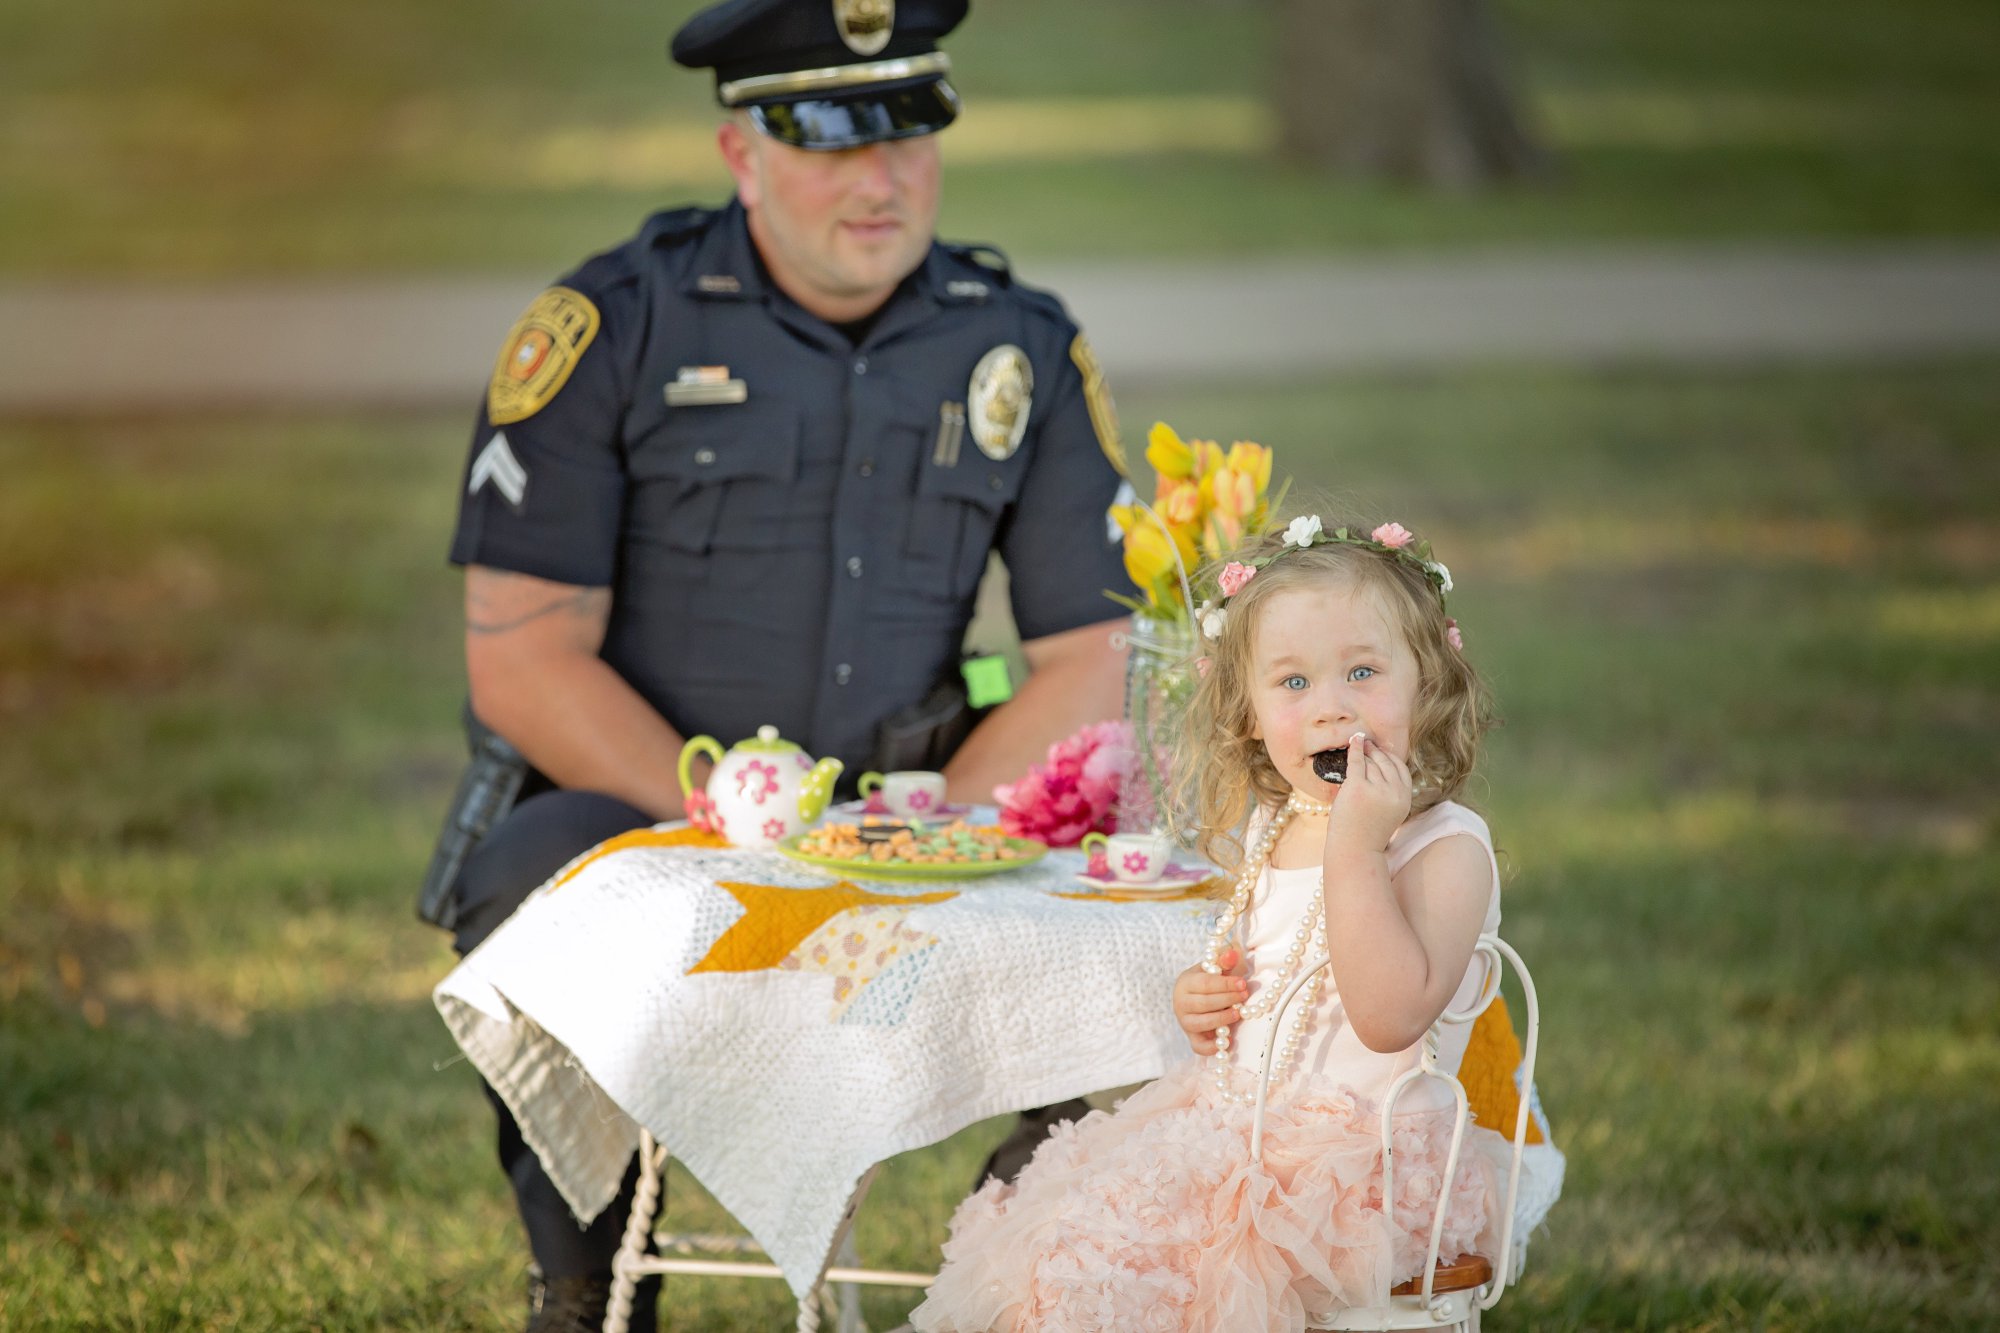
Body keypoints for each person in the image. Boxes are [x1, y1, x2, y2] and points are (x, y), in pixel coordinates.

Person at [430, 0, 1134, 1326]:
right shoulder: (610, 328)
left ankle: (1046, 1272)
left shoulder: (1018, 343)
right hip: (649, 810)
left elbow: (1091, 652)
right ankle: (584, 1285)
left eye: (911, 134)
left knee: (1116, 879)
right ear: (741, 151)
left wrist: (935, 833)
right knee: (523, 874)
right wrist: (735, 829)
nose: (882, 179)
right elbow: (523, 663)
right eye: (832, 139)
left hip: (916, 814)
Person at [911, 517, 1514, 1333]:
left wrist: (1358, 842)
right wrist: (1207, 1001)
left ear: (1428, 682)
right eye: (1293, 684)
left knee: (1144, 1269)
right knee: (1064, 1244)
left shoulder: (1444, 848)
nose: (1331, 707)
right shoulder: (1277, 822)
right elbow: (1275, 985)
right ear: (1253, 710)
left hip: (1359, 1177)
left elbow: (1386, 1015)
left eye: (1363, 672)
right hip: (1239, 1131)